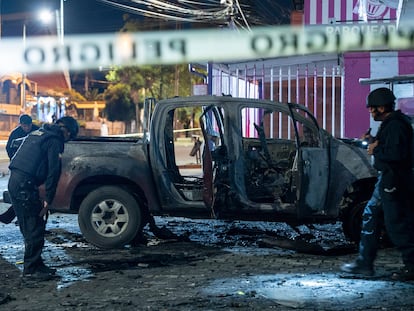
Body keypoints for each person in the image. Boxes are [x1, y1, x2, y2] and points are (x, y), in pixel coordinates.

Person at [340, 87, 414, 281]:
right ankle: (365, 263)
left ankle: (412, 265)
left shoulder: (396, 125)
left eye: (372, 108)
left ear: (381, 107)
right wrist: (372, 143)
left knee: (397, 224)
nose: (370, 112)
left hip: (394, 180)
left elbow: (397, 155)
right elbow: (388, 147)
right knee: (370, 216)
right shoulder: (391, 124)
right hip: (387, 180)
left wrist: (375, 151)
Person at [8, 116, 79, 281]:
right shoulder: (54, 140)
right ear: (66, 131)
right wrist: (48, 198)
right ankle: (31, 270)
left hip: (16, 182)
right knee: (35, 227)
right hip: (24, 185)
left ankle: (37, 264)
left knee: (31, 226)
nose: (68, 140)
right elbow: (53, 171)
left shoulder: (39, 132)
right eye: (70, 136)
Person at [0, 115, 40, 224]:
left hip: (35, 168)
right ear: (21, 124)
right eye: (24, 126)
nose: (27, 128)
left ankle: (13, 216)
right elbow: (9, 149)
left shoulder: (37, 131)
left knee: (27, 194)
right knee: (20, 193)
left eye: (28, 126)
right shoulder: (15, 133)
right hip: (20, 167)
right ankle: (14, 216)